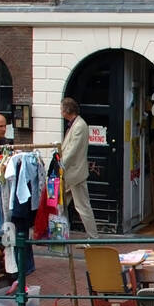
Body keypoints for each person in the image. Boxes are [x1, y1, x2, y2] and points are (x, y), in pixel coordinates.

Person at [59, 97, 98, 239]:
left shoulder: (79, 126)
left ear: (67, 110)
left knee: (83, 207)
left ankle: (93, 238)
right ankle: (60, 234)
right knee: (60, 205)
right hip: (70, 174)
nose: (61, 112)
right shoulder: (75, 124)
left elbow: (72, 150)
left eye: (62, 109)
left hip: (75, 175)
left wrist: (60, 166)